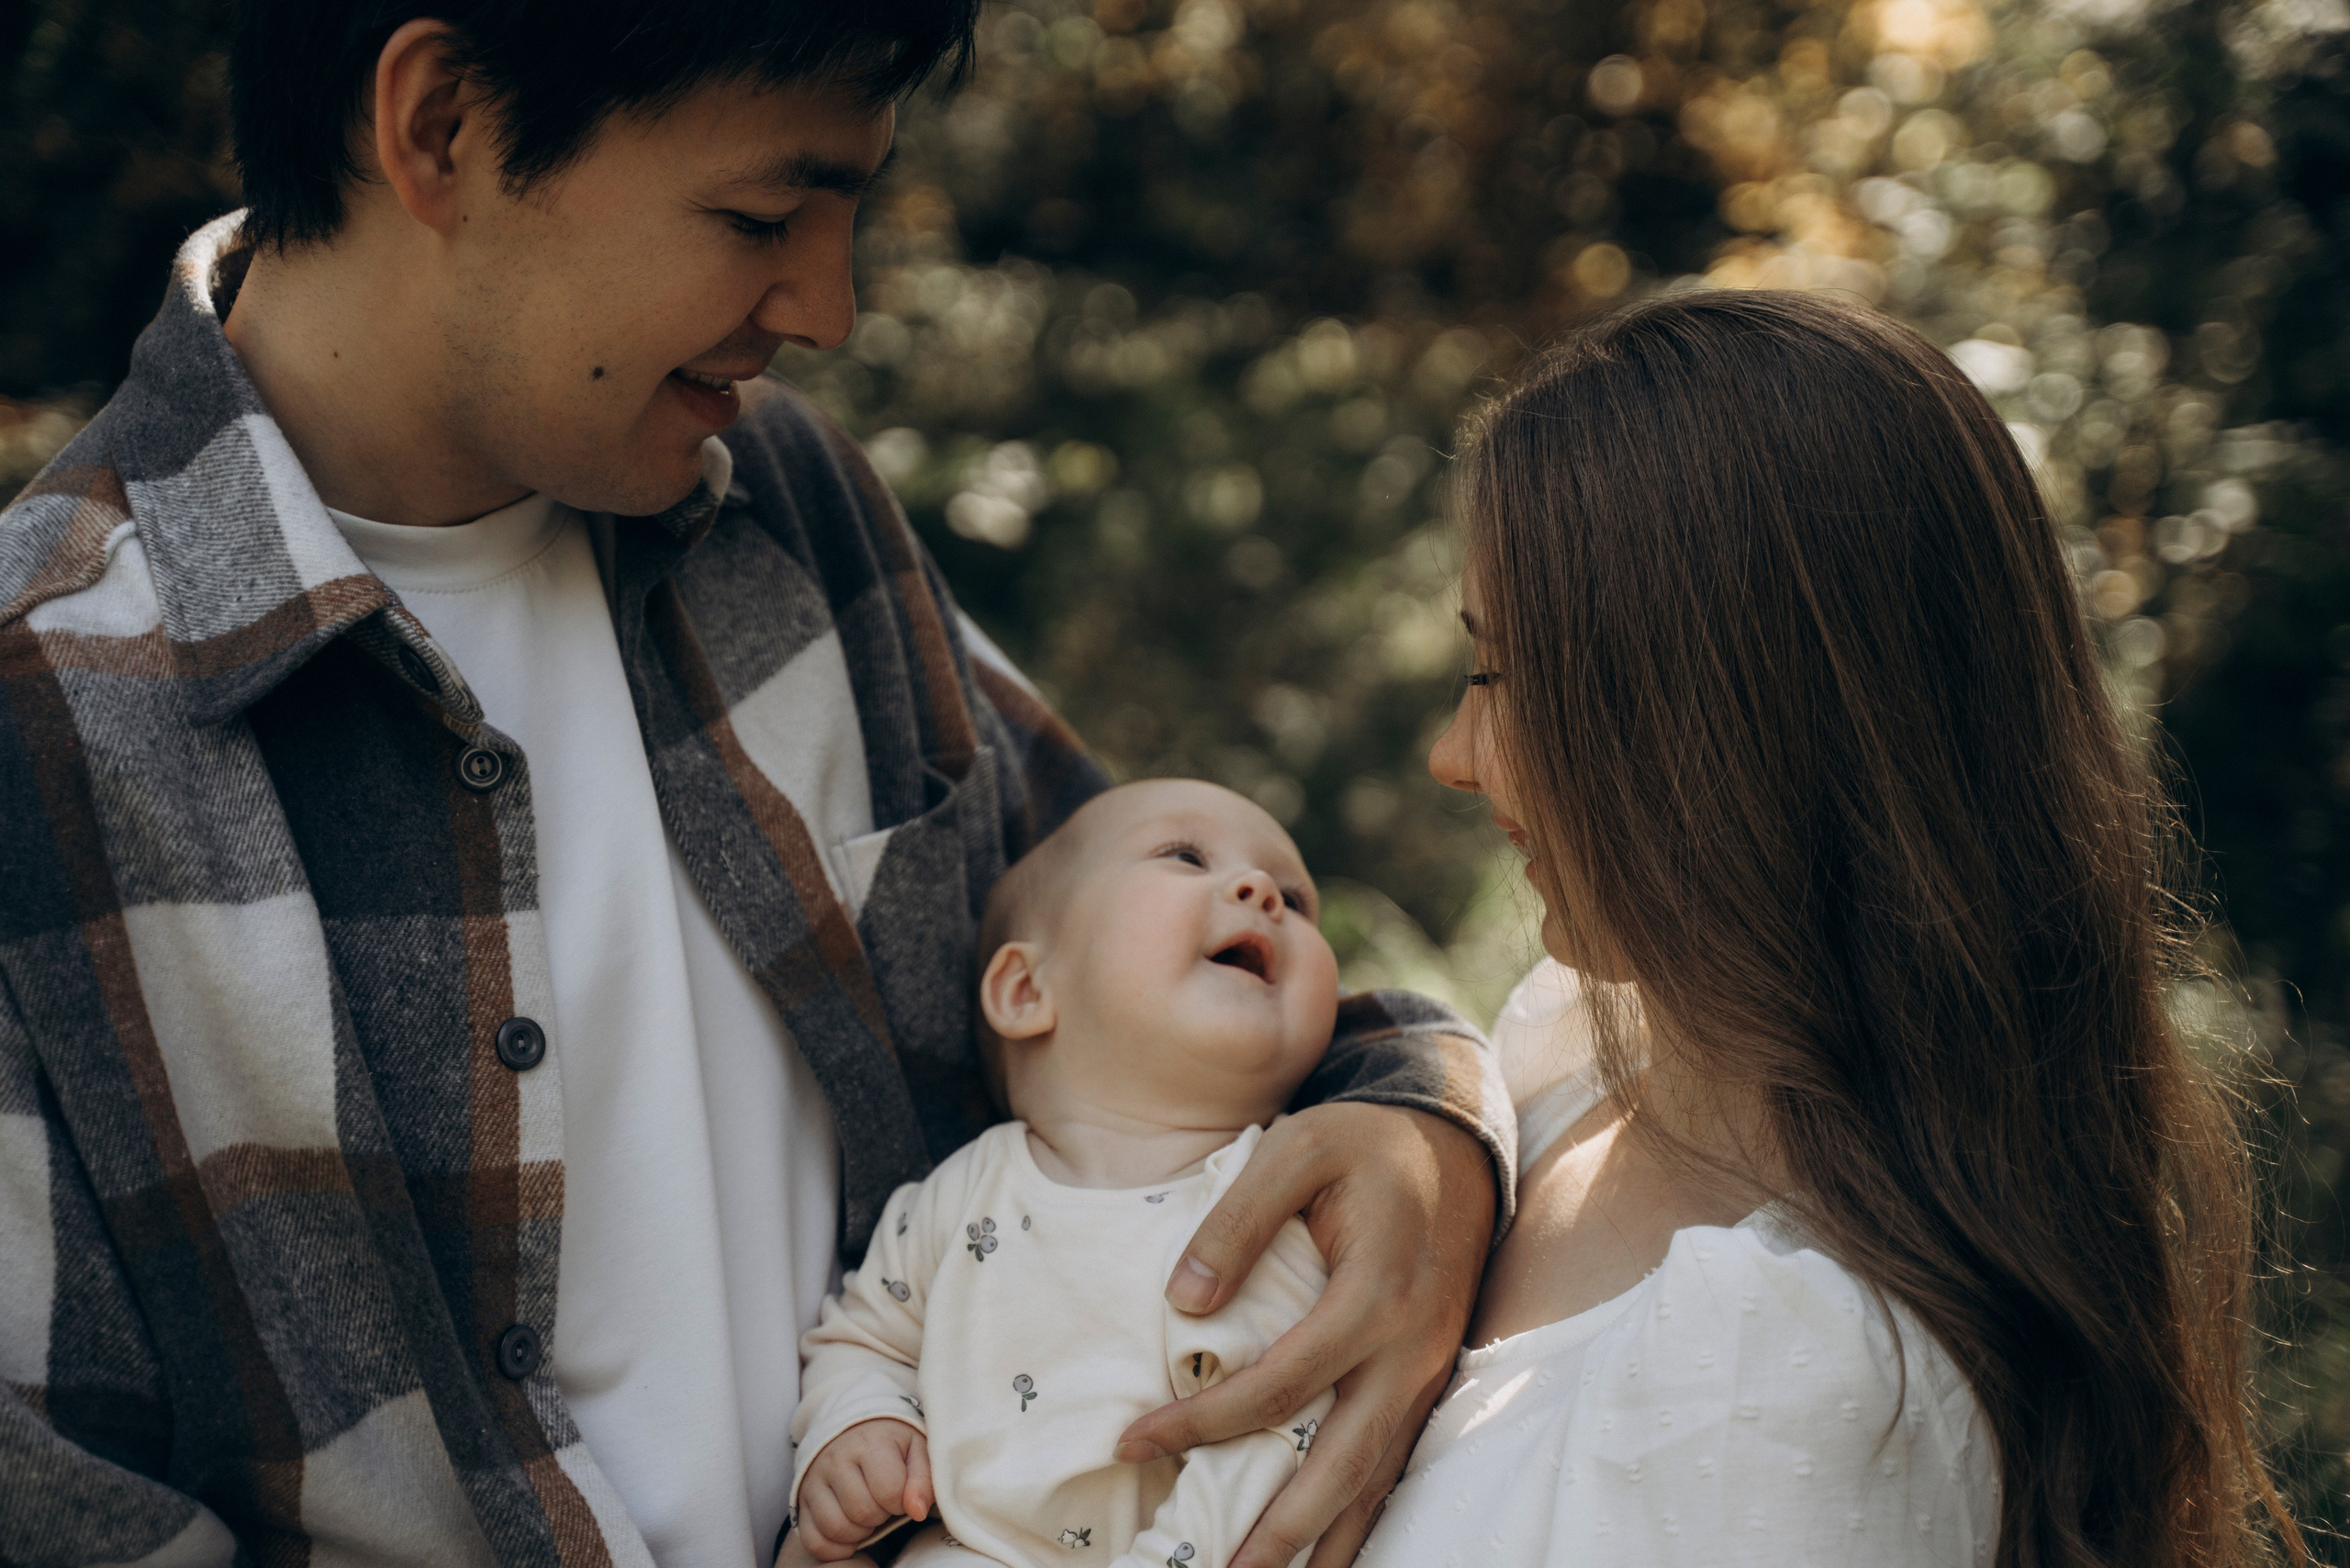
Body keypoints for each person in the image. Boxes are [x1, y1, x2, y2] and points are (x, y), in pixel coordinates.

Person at [0, 6, 1512, 1563]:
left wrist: (1427, 1135)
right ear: (441, 124)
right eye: (763, 215)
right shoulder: (44, 721)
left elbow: (1166, 931)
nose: (831, 304)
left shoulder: (791, 510)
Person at [1358, 289, 2300, 1568]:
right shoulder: (1572, 1050)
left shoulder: (1798, 1382)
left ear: (1729, 730)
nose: (1453, 755)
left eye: (1509, 676)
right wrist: (1420, 1110)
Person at [788, 779, 1347, 1567]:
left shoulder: (1267, 1200)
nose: (1263, 895)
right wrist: (860, 1428)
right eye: (1183, 856)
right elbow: (865, 1338)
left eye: (1296, 898)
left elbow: (1281, 1431)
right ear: (1026, 989)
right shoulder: (961, 1191)